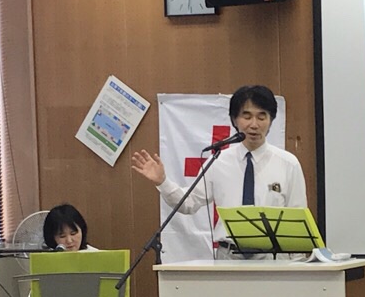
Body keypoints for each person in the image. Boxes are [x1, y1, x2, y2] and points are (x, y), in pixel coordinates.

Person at [129, 85, 307, 256]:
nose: (254, 125)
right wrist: (163, 182)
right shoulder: (218, 160)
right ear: (234, 120)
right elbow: (188, 203)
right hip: (228, 257)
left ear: (271, 120)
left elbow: (298, 220)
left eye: (262, 117)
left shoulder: (288, 164)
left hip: (273, 258)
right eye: (246, 116)